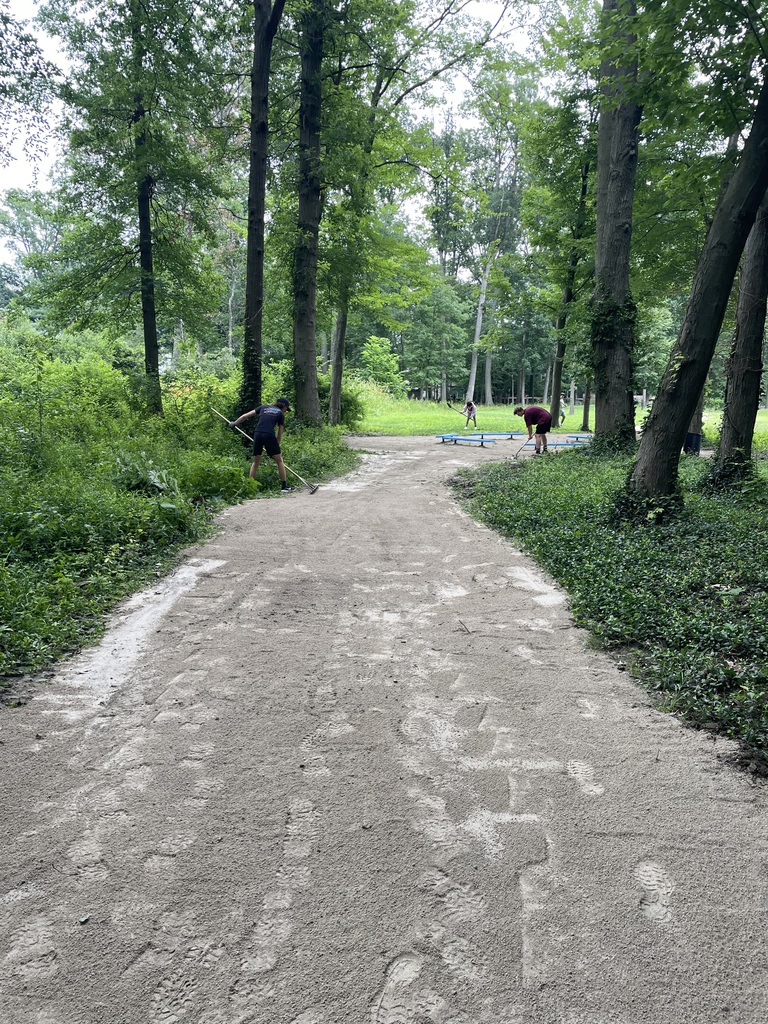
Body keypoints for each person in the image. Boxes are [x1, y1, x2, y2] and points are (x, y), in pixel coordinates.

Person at [229, 397, 294, 491]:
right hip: (269, 435)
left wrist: (234, 423)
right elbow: (279, 434)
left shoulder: (263, 407)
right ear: (284, 406)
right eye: (286, 409)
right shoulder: (280, 414)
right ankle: (284, 486)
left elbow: (245, 416)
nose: (285, 411)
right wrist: (275, 448)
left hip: (258, 434)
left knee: (256, 462)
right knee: (279, 460)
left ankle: (249, 486)